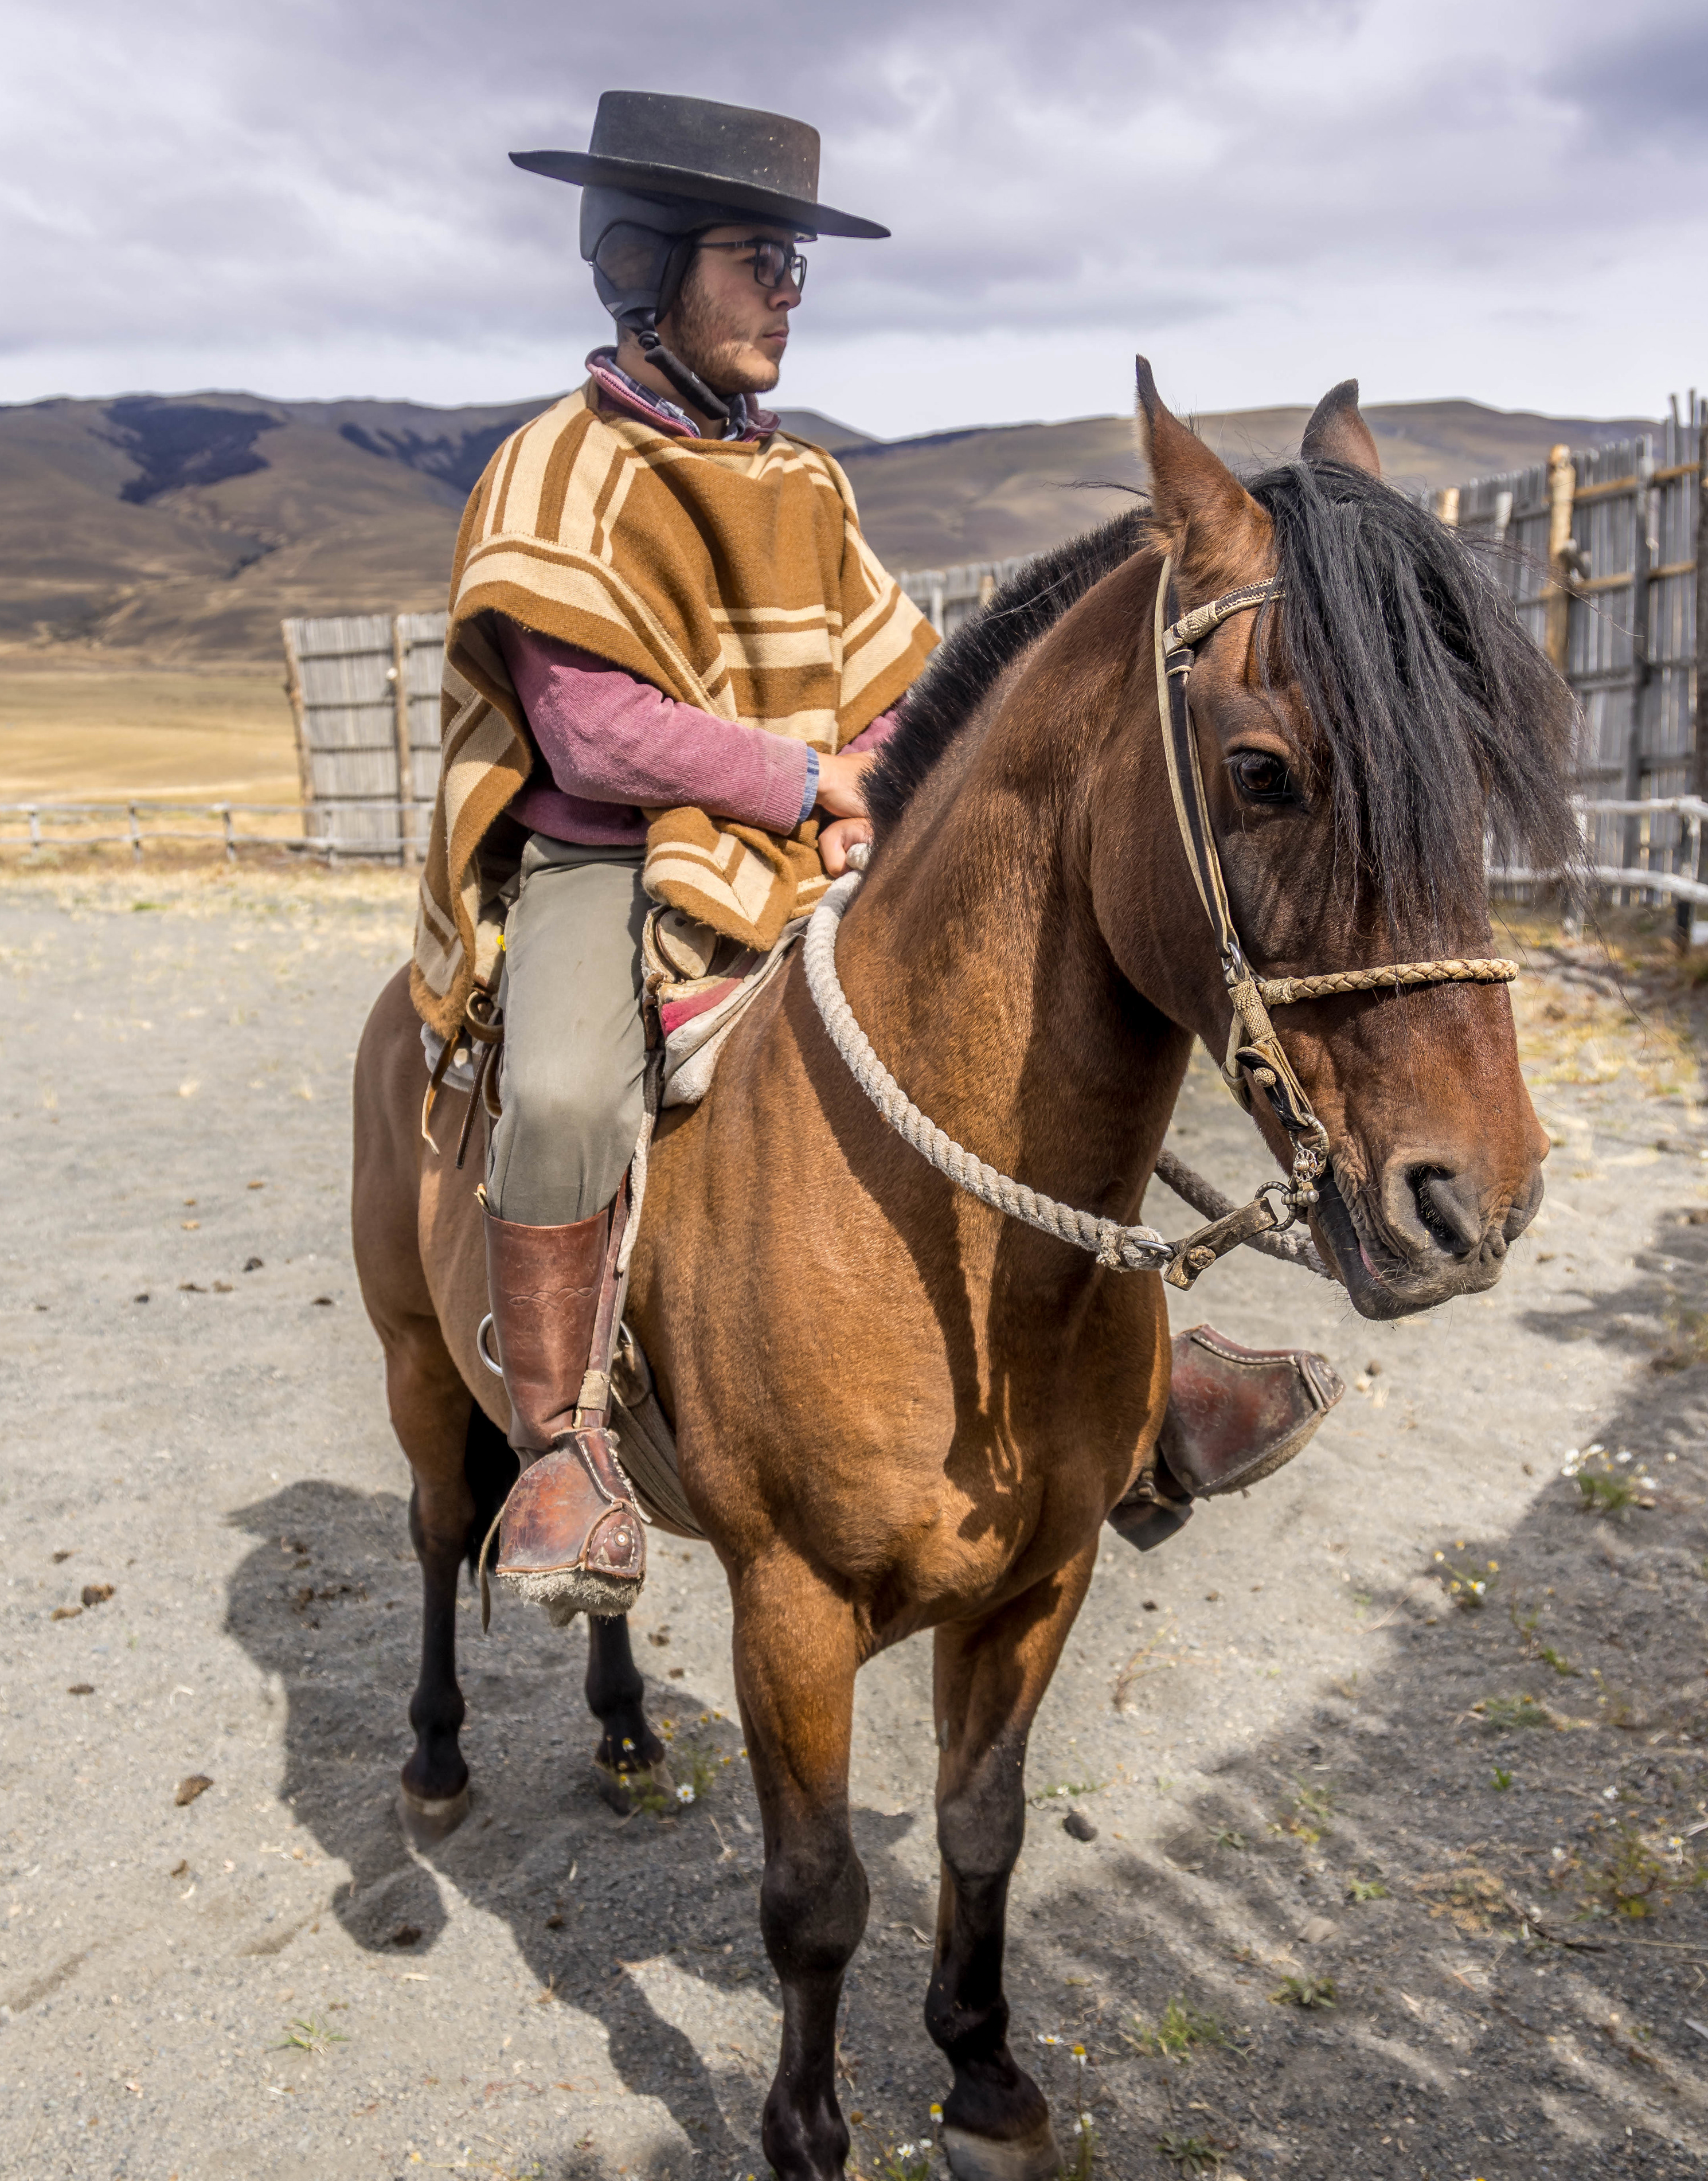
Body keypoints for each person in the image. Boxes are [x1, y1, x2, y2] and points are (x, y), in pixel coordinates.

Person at [408, 88, 1338, 1617]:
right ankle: (563, 1445)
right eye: (755, 255)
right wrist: (803, 777)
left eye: (795, 261)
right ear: (641, 265)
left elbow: (903, 681)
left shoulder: (803, 483)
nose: (787, 288)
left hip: (794, 841)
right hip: (613, 861)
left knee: (1019, 1025)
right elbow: (589, 734)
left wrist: (889, 781)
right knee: (569, 1089)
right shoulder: (552, 474)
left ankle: (1140, 1371)